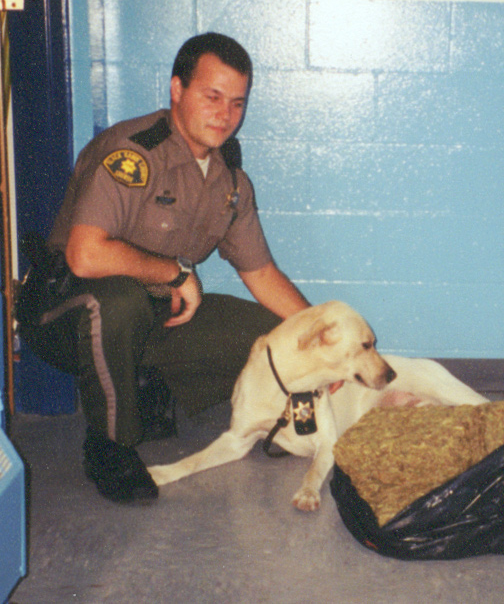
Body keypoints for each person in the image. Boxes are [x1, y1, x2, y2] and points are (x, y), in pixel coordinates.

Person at [17, 32, 310, 504]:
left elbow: (262, 274)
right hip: (63, 310)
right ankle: (110, 445)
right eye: (211, 97)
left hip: (154, 315)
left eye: (237, 102)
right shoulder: (133, 153)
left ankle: (146, 388)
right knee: (119, 301)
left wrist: (317, 337)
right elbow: (85, 255)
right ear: (177, 89)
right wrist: (175, 272)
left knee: (265, 334)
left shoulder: (229, 180)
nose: (225, 114)